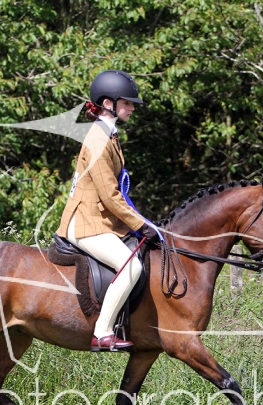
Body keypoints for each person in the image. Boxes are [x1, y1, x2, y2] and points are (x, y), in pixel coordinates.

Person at [56, 70, 158, 352]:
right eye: (127, 103)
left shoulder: (108, 134)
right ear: (107, 103)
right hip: (85, 223)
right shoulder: (99, 140)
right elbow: (110, 196)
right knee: (131, 267)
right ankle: (102, 332)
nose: (132, 108)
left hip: (99, 220)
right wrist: (141, 225)